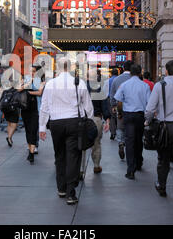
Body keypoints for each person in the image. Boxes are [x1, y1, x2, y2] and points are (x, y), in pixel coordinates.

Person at [39, 57, 94, 205]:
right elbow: (88, 105)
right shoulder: (79, 82)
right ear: (70, 67)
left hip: (56, 123)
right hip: (74, 122)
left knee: (59, 155)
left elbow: (44, 107)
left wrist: (42, 127)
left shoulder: (50, 84)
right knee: (73, 157)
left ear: (57, 67)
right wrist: (89, 120)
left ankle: (61, 188)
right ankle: (71, 192)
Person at [145, 60, 173, 211]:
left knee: (163, 158)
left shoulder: (160, 85)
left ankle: (161, 185)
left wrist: (148, 120)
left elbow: (150, 109)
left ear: (167, 71)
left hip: (164, 127)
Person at [115, 64, 151, 180]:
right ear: (140, 73)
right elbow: (148, 103)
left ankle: (131, 170)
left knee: (129, 141)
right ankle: (139, 162)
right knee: (138, 139)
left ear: (130, 73)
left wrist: (120, 113)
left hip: (128, 115)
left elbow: (119, 101)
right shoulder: (145, 86)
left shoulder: (124, 85)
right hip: (140, 115)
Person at [85, 66, 111, 174]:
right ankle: (96, 165)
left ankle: (81, 170)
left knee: (81, 144)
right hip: (96, 119)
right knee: (96, 143)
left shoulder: (81, 87)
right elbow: (105, 106)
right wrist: (107, 120)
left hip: (83, 118)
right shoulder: (100, 88)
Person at [20, 65, 45, 163]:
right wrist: (29, 82)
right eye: (30, 71)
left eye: (34, 71)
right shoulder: (26, 80)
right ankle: (30, 147)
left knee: (33, 130)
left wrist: (29, 93)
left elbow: (39, 93)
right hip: (25, 109)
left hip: (36, 109)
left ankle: (31, 153)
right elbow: (18, 89)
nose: (32, 73)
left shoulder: (41, 81)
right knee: (27, 129)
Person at [109, 61, 134, 160]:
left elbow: (112, 94)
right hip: (133, 108)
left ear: (123, 68)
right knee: (131, 128)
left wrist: (113, 106)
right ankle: (130, 146)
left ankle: (121, 142)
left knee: (120, 127)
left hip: (120, 106)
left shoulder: (117, 80)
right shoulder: (134, 79)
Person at [108, 68, 119, 140]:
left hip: (110, 100)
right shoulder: (118, 79)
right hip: (118, 100)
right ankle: (119, 131)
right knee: (118, 115)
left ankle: (112, 132)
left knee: (112, 116)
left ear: (111, 73)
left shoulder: (108, 81)